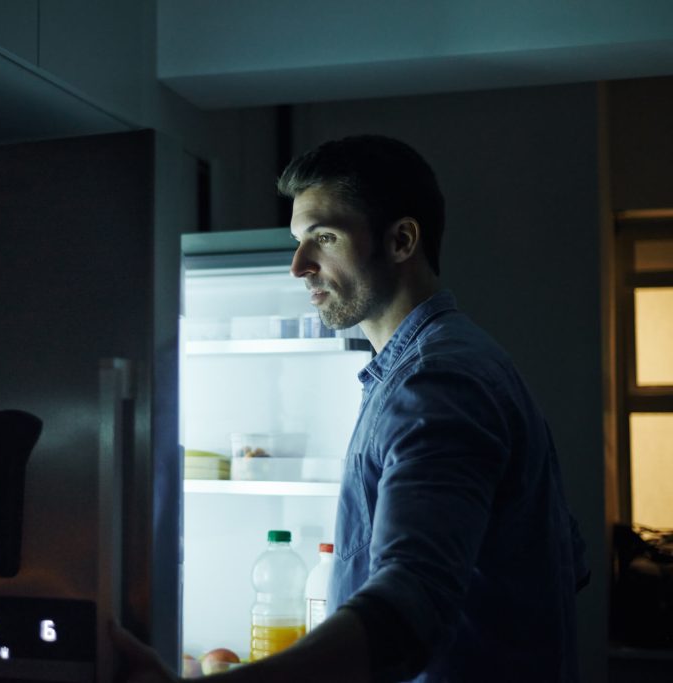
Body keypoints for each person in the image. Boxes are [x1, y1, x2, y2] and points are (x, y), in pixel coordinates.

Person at [112, 134, 589, 682]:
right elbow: (562, 565)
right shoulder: (435, 366)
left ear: (401, 240)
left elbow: (408, 611)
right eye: (298, 241)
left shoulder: (438, 381)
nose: (297, 265)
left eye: (324, 237)